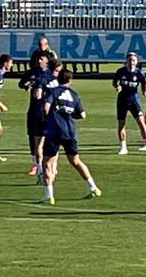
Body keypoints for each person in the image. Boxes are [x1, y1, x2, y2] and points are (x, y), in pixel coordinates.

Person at [39, 68, 100, 205]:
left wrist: (45, 118)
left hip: (54, 131)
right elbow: (83, 115)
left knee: (47, 163)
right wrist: (70, 114)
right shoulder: (74, 95)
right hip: (70, 132)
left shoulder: (52, 91)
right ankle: (93, 187)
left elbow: (45, 107)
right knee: (76, 161)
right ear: (70, 81)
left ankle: (49, 196)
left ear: (58, 79)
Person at [19, 54, 57, 176]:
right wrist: (26, 85)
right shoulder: (31, 72)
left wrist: (42, 87)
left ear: (46, 61)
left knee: (47, 138)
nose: (39, 60)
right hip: (33, 109)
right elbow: (21, 83)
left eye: (42, 59)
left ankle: (50, 164)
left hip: (45, 111)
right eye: (38, 59)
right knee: (31, 136)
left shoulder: (50, 76)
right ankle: (35, 164)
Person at [112, 52, 146, 155]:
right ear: (126, 61)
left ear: (136, 62)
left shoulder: (138, 73)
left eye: (133, 60)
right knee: (121, 124)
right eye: (129, 60)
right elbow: (114, 81)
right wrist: (117, 86)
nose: (131, 62)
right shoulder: (120, 71)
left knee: (141, 122)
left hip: (134, 101)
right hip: (122, 101)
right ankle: (123, 147)